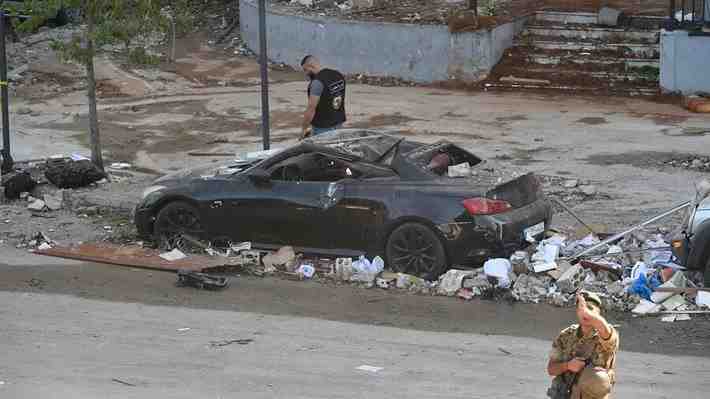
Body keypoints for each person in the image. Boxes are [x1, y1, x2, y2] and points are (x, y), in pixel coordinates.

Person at [547, 291, 619, 399]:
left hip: (592, 396)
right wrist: (568, 366)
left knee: (597, 377)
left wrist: (589, 315)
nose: (585, 313)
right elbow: (551, 369)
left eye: (590, 309)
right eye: (581, 308)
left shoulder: (605, 334)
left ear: (598, 313)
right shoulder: (566, 335)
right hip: (567, 394)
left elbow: (604, 329)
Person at [300, 55, 346, 139]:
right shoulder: (338, 75)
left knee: (322, 151)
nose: (306, 74)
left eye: (305, 70)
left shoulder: (317, 83)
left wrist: (304, 129)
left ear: (311, 66)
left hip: (323, 128)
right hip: (338, 123)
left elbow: (311, 109)